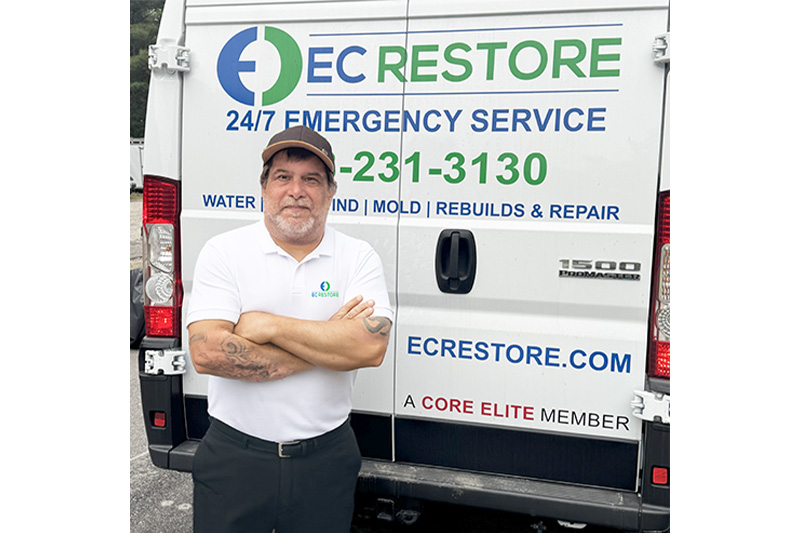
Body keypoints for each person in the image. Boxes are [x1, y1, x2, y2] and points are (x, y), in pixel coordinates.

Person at [186, 125, 393, 533]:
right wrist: (329, 342)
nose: (296, 190)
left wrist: (266, 324)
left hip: (326, 460)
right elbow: (207, 352)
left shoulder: (357, 256)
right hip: (235, 460)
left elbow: (369, 347)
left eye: (311, 179)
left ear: (331, 190)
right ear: (263, 187)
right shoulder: (225, 252)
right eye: (283, 177)